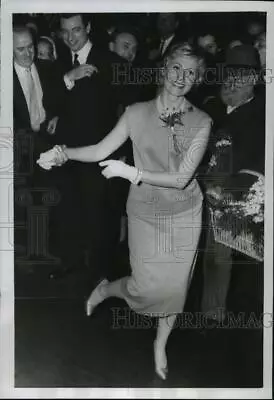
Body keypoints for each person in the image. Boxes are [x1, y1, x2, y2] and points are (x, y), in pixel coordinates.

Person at [37, 43, 212, 380]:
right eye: (176, 67)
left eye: (191, 72)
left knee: (176, 289)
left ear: (197, 79)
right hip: (146, 211)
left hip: (184, 212)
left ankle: (160, 343)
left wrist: (131, 173)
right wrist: (64, 153)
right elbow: (102, 149)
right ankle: (105, 289)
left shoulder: (202, 121)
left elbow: (180, 179)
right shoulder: (135, 112)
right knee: (147, 288)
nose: (182, 77)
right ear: (163, 69)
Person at [48, 13, 123, 280]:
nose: (71, 37)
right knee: (68, 208)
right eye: (65, 31)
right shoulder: (59, 65)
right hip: (66, 152)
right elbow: (51, 101)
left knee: (99, 214)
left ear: (88, 28)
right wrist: (69, 78)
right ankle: (70, 261)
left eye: (77, 30)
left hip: (99, 151)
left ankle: (102, 275)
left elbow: (128, 105)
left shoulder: (110, 61)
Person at [200, 44, 265, 322]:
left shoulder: (262, 115)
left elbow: (261, 161)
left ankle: (212, 316)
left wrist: (229, 190)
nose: (232, 81)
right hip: (197, 185)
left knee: (219, 255)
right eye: (229, 74)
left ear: (253, 80)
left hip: (230, 193)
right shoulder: (209, 105)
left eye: (241, 76)